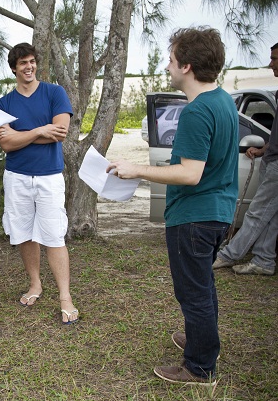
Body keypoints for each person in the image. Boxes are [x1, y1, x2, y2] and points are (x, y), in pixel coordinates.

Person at [107, 27, 238, 386]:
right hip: (218, 213)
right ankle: (203, 341)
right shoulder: (223, 100)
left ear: (187, 66)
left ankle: (199, 367)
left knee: (192, 292)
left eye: (171, 59)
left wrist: (136, 169)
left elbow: (191, 173)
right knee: (203, 285)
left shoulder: (197, 111)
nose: (167, 65)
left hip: (194, 218)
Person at [0, 43, 78, 325]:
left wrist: (23, 135)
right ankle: (35, 284)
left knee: (54, 235)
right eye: (22, 63)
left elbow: (61, 133)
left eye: (32, 62)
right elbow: (5, 143)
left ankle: (65, 296)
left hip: (48, 176)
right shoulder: (5, 103)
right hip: (16, 176)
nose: (28, 67)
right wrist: (41, 130)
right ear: (14, 68)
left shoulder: (55, 93)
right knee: (25, 234)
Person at [212, 42, 278, 276]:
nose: (271, 64)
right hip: (270, 159)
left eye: (275, 59)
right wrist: (264, 149)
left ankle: (227, 255)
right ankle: (264, 260)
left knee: (257, 212)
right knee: (272, 216)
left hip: (277, 166)